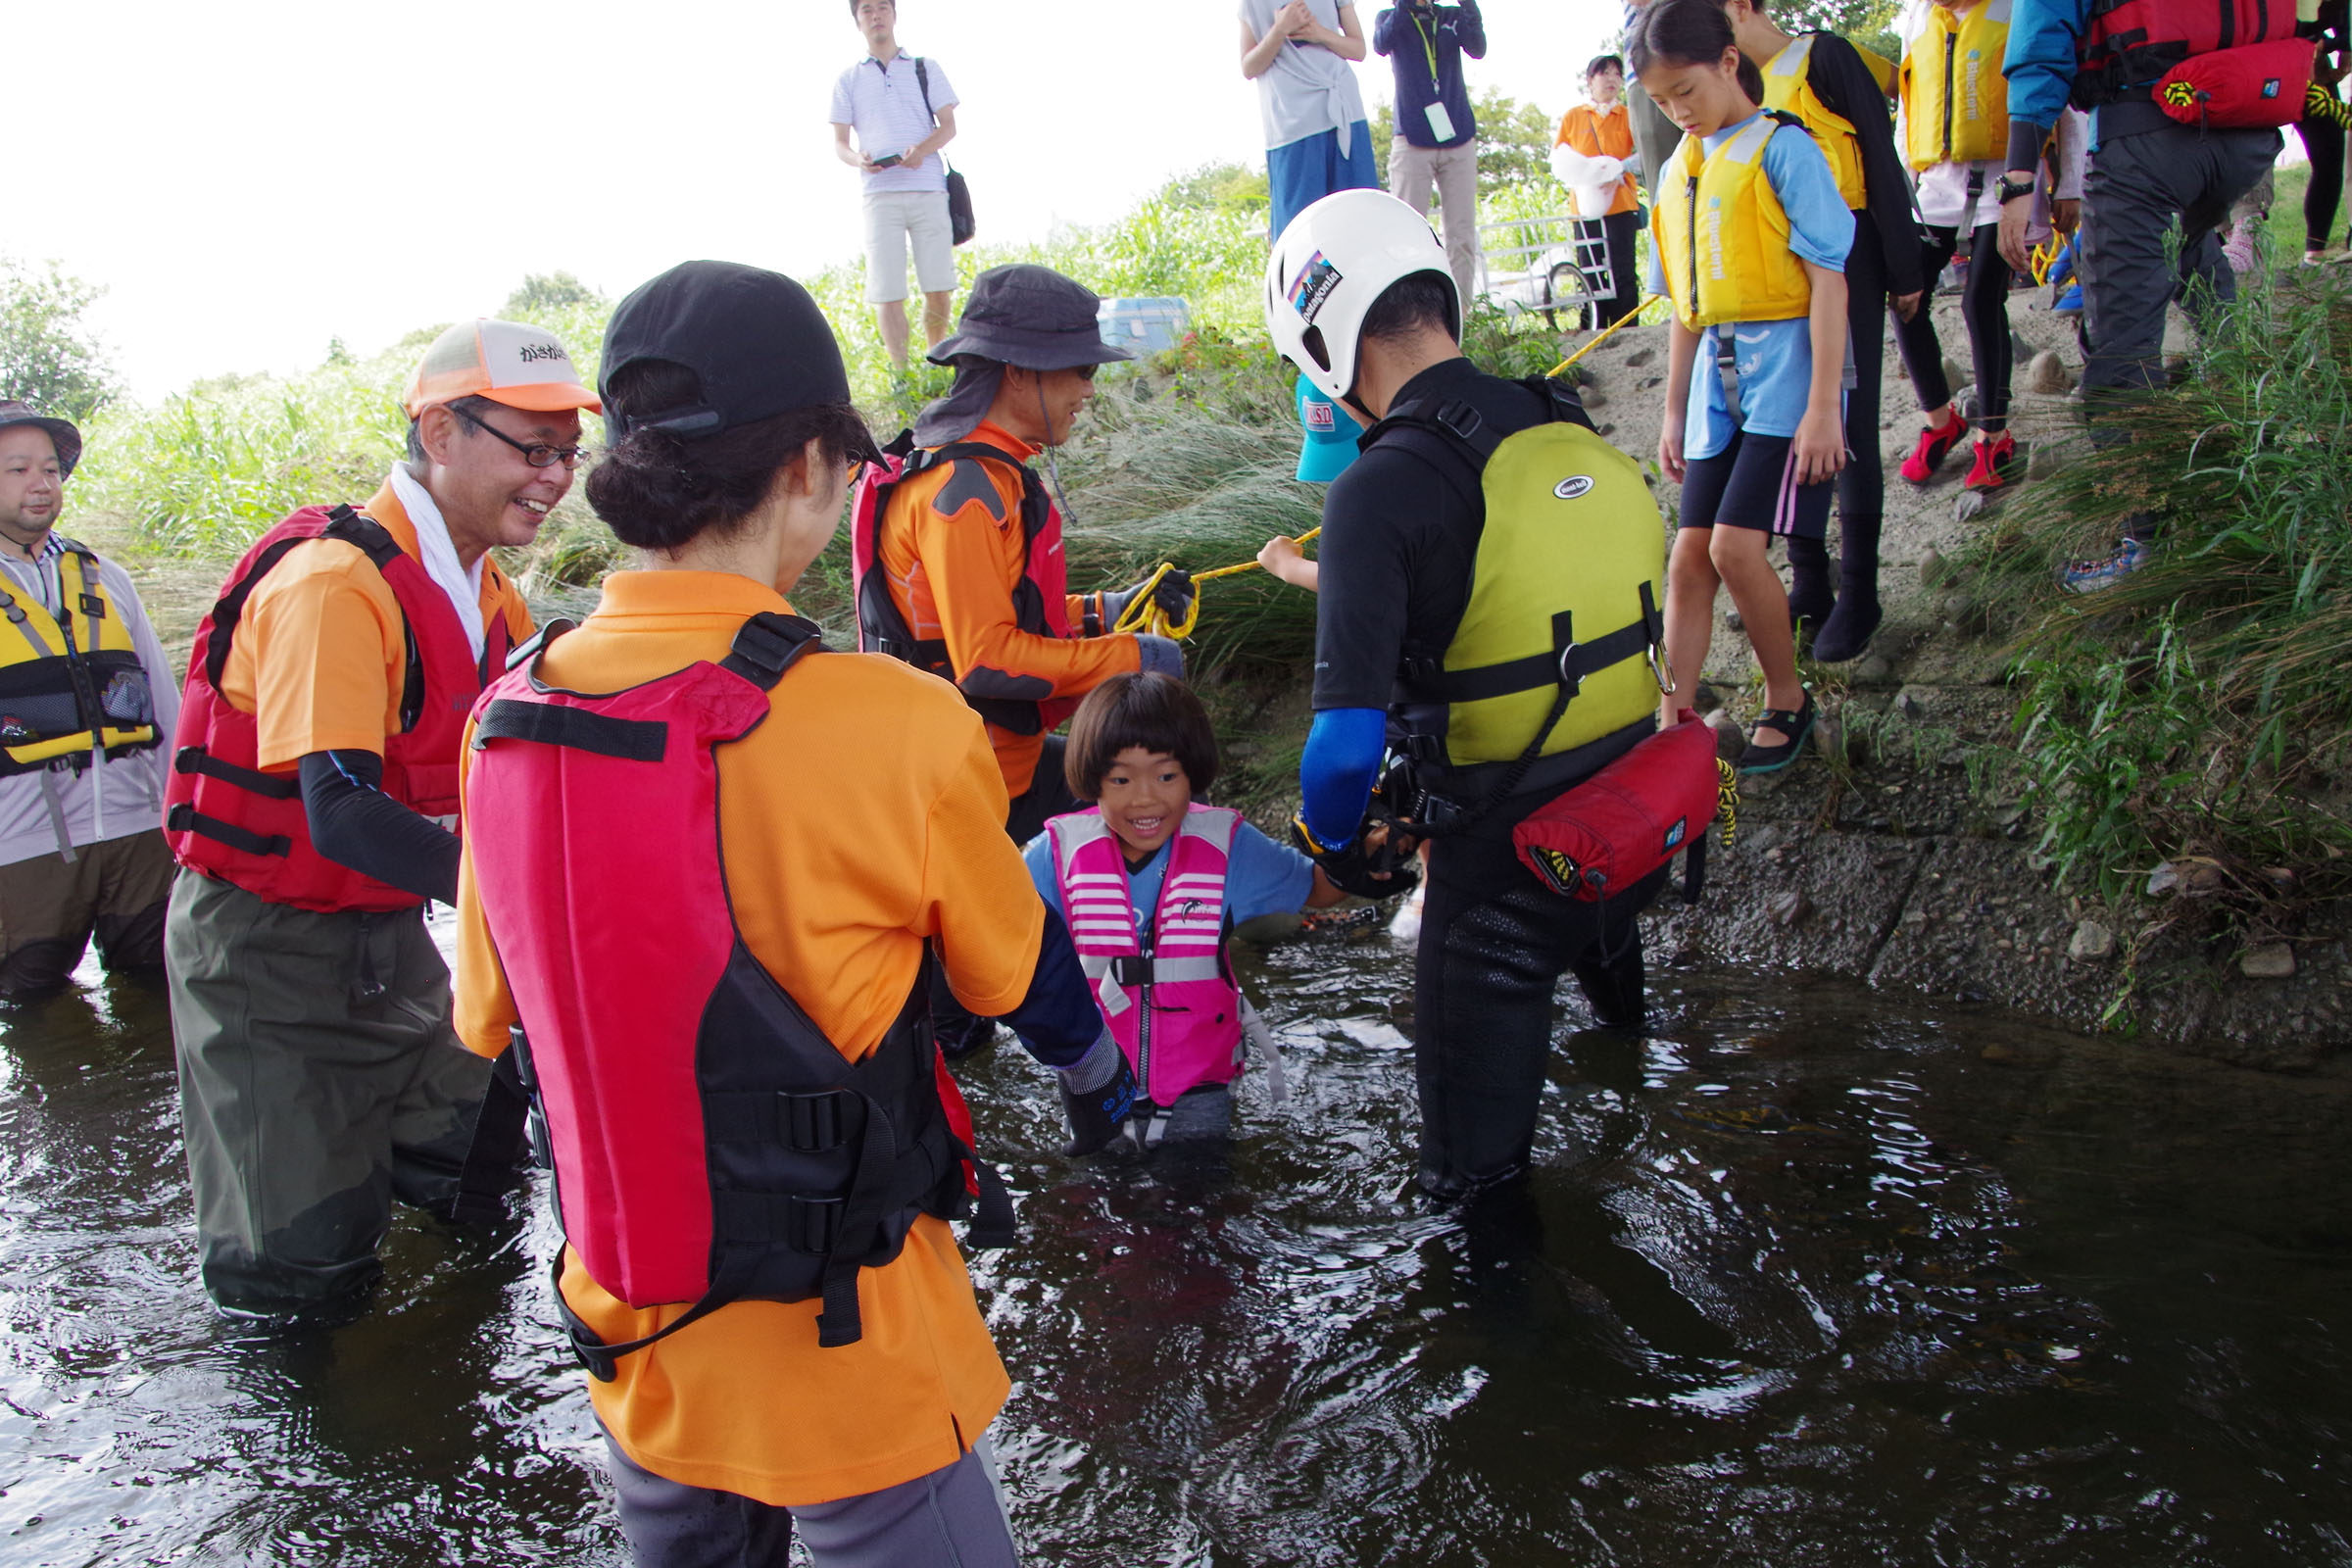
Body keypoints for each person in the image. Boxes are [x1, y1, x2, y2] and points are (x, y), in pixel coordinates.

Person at [454, 259, 1126, 1568]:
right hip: (850, 1353)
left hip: (638, 1342)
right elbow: (1003, 976)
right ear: (814, 468)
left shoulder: (508, 718)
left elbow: (490, 1017)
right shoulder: (896, 723)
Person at [164, 318, 599, 1322]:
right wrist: (533, 908)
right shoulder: (332, 584)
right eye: (532, 449)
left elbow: (537, 772)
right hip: (263, 958)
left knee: (482, 1157)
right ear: (441, 434)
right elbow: (343, 813)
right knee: (298, 1285)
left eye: (569, 452)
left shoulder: (491, 592)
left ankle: (454, 1356)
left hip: (391, 943)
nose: (555, 478)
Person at [1264, 188, 1675, 1201]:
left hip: (1500, 880)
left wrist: (1329, 850)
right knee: (1625, 1040)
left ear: (1322, 341)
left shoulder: (1379, 485)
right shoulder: (1560, 414)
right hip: (1625, 829)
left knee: (1469, 1189)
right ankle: (1636, 1064)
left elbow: (1344, 752)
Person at [853, 263, 1193, 1056]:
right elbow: (986, 663)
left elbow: (995, 618)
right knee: (956, 1021)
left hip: (989, 768)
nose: (1089, 387)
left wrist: (1115, 608)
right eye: (1079, 368)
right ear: (1019, 371)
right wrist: (1128, 655)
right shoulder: (966, 490)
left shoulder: (983, 468)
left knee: (1119, 848)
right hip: (961, 786)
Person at [1999, 0, 2287, 588]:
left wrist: (2019, 180)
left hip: (2148, 135)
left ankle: (2143, 546)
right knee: (2192, 256)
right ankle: (2269, 457)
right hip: (2248, 133)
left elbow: (2041, 46)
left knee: (2120, 360)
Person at [1638, 0, 1852, 768]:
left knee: (1734, 547)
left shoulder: (1785, 150)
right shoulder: (1676, 170)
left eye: (1686, 92)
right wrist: (1672, 410)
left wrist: (1826, 405)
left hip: (1788, 378)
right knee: (1687, 555)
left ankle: (1788, 697)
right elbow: (1686, 307)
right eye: (1662, 102)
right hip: (1712, 396)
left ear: (1730, 61)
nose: (1678, 113)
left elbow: (1831, 281)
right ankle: (1671, 722)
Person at [1024, 672, 1347, 1148]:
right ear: (1093, 781)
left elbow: (1320, 890)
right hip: (1096, 1081)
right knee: (1092, 1205)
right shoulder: (1054, 854)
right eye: (1120, 778)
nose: (1145, 798)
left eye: (1166, 775)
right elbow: (987, 920)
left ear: (1193, 773)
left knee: (1199, 1202)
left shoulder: (1230, 847)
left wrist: (1360, 853)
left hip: (1201, 1087)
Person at [1715, 0, 1921, 663]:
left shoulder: (1824, 57)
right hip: (1777, 272)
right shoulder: (1732, 86)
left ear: (1740, 6)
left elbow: (1880, 155)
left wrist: (1903, 265)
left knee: (1848, 418)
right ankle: (1811, 579)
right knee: (1788, 414)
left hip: (1847, 259)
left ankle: (1861, 590)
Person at [0, 403, 179, 1002]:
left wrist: (184, 818)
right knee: (35, 1012)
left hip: (139, 834)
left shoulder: (106, 577)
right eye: (17, 469)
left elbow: (164, 702)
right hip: (23, 847)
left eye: (49, 469)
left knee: (159, 994)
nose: (40, 483)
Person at [1892, 0, 2085, 494]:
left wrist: (2069, 187)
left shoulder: (2021, 9)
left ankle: (1993, 434)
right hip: (1933, 188)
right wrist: (1899, 190)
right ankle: (1940, 421)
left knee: (1982, 301)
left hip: (2005, 190)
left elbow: (2061, 101)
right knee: (1903, 295)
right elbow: (1910, 108)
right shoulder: (1917, 17)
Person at [830, 0, 960, 371]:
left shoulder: (925, 68)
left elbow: (949, 126)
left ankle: (936, 363)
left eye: (882, 7)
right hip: (879, 195)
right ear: (857, 21)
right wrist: (860, 159)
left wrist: (921, 150)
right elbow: (840, 144)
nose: (876, 15)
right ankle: (901, 375)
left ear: (894, 14)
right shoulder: (848, 79)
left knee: (937, 285)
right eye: (867, 10)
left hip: (929, 187)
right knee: (887, 291)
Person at [1374, 0, 1488, 306]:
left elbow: (1477, 47)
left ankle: (1463, 315)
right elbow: (1380, 44)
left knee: (1462, 236)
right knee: (1406, 233)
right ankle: (1411, 313)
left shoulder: (1450, 16)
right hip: (1412, 139)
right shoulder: (1391, 18)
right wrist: (1403, 6)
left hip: (1459, 136)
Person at [1241, 0, 1379, 238]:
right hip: (1292, 126)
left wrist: (1319, 34)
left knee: (1359, 222)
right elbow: (1249, 67)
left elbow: (1358, 49)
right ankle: (1314, 279)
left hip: (1345, 116)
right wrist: (1279, 30)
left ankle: (1363, 277)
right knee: (1302, 235)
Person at [1552, 55, 1646, 329]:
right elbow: (1560, 158)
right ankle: (1593, 328)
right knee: (1589, 270)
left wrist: (1619, 167)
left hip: (1621, 202)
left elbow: (1644, 153)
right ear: (1590, 80)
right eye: (1604, 73)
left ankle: (1627, 330)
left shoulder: (1629, 116)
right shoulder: (1574, 117)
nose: (1611, 79)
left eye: (1617, 74)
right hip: (1583, 207)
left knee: (1623, 271)